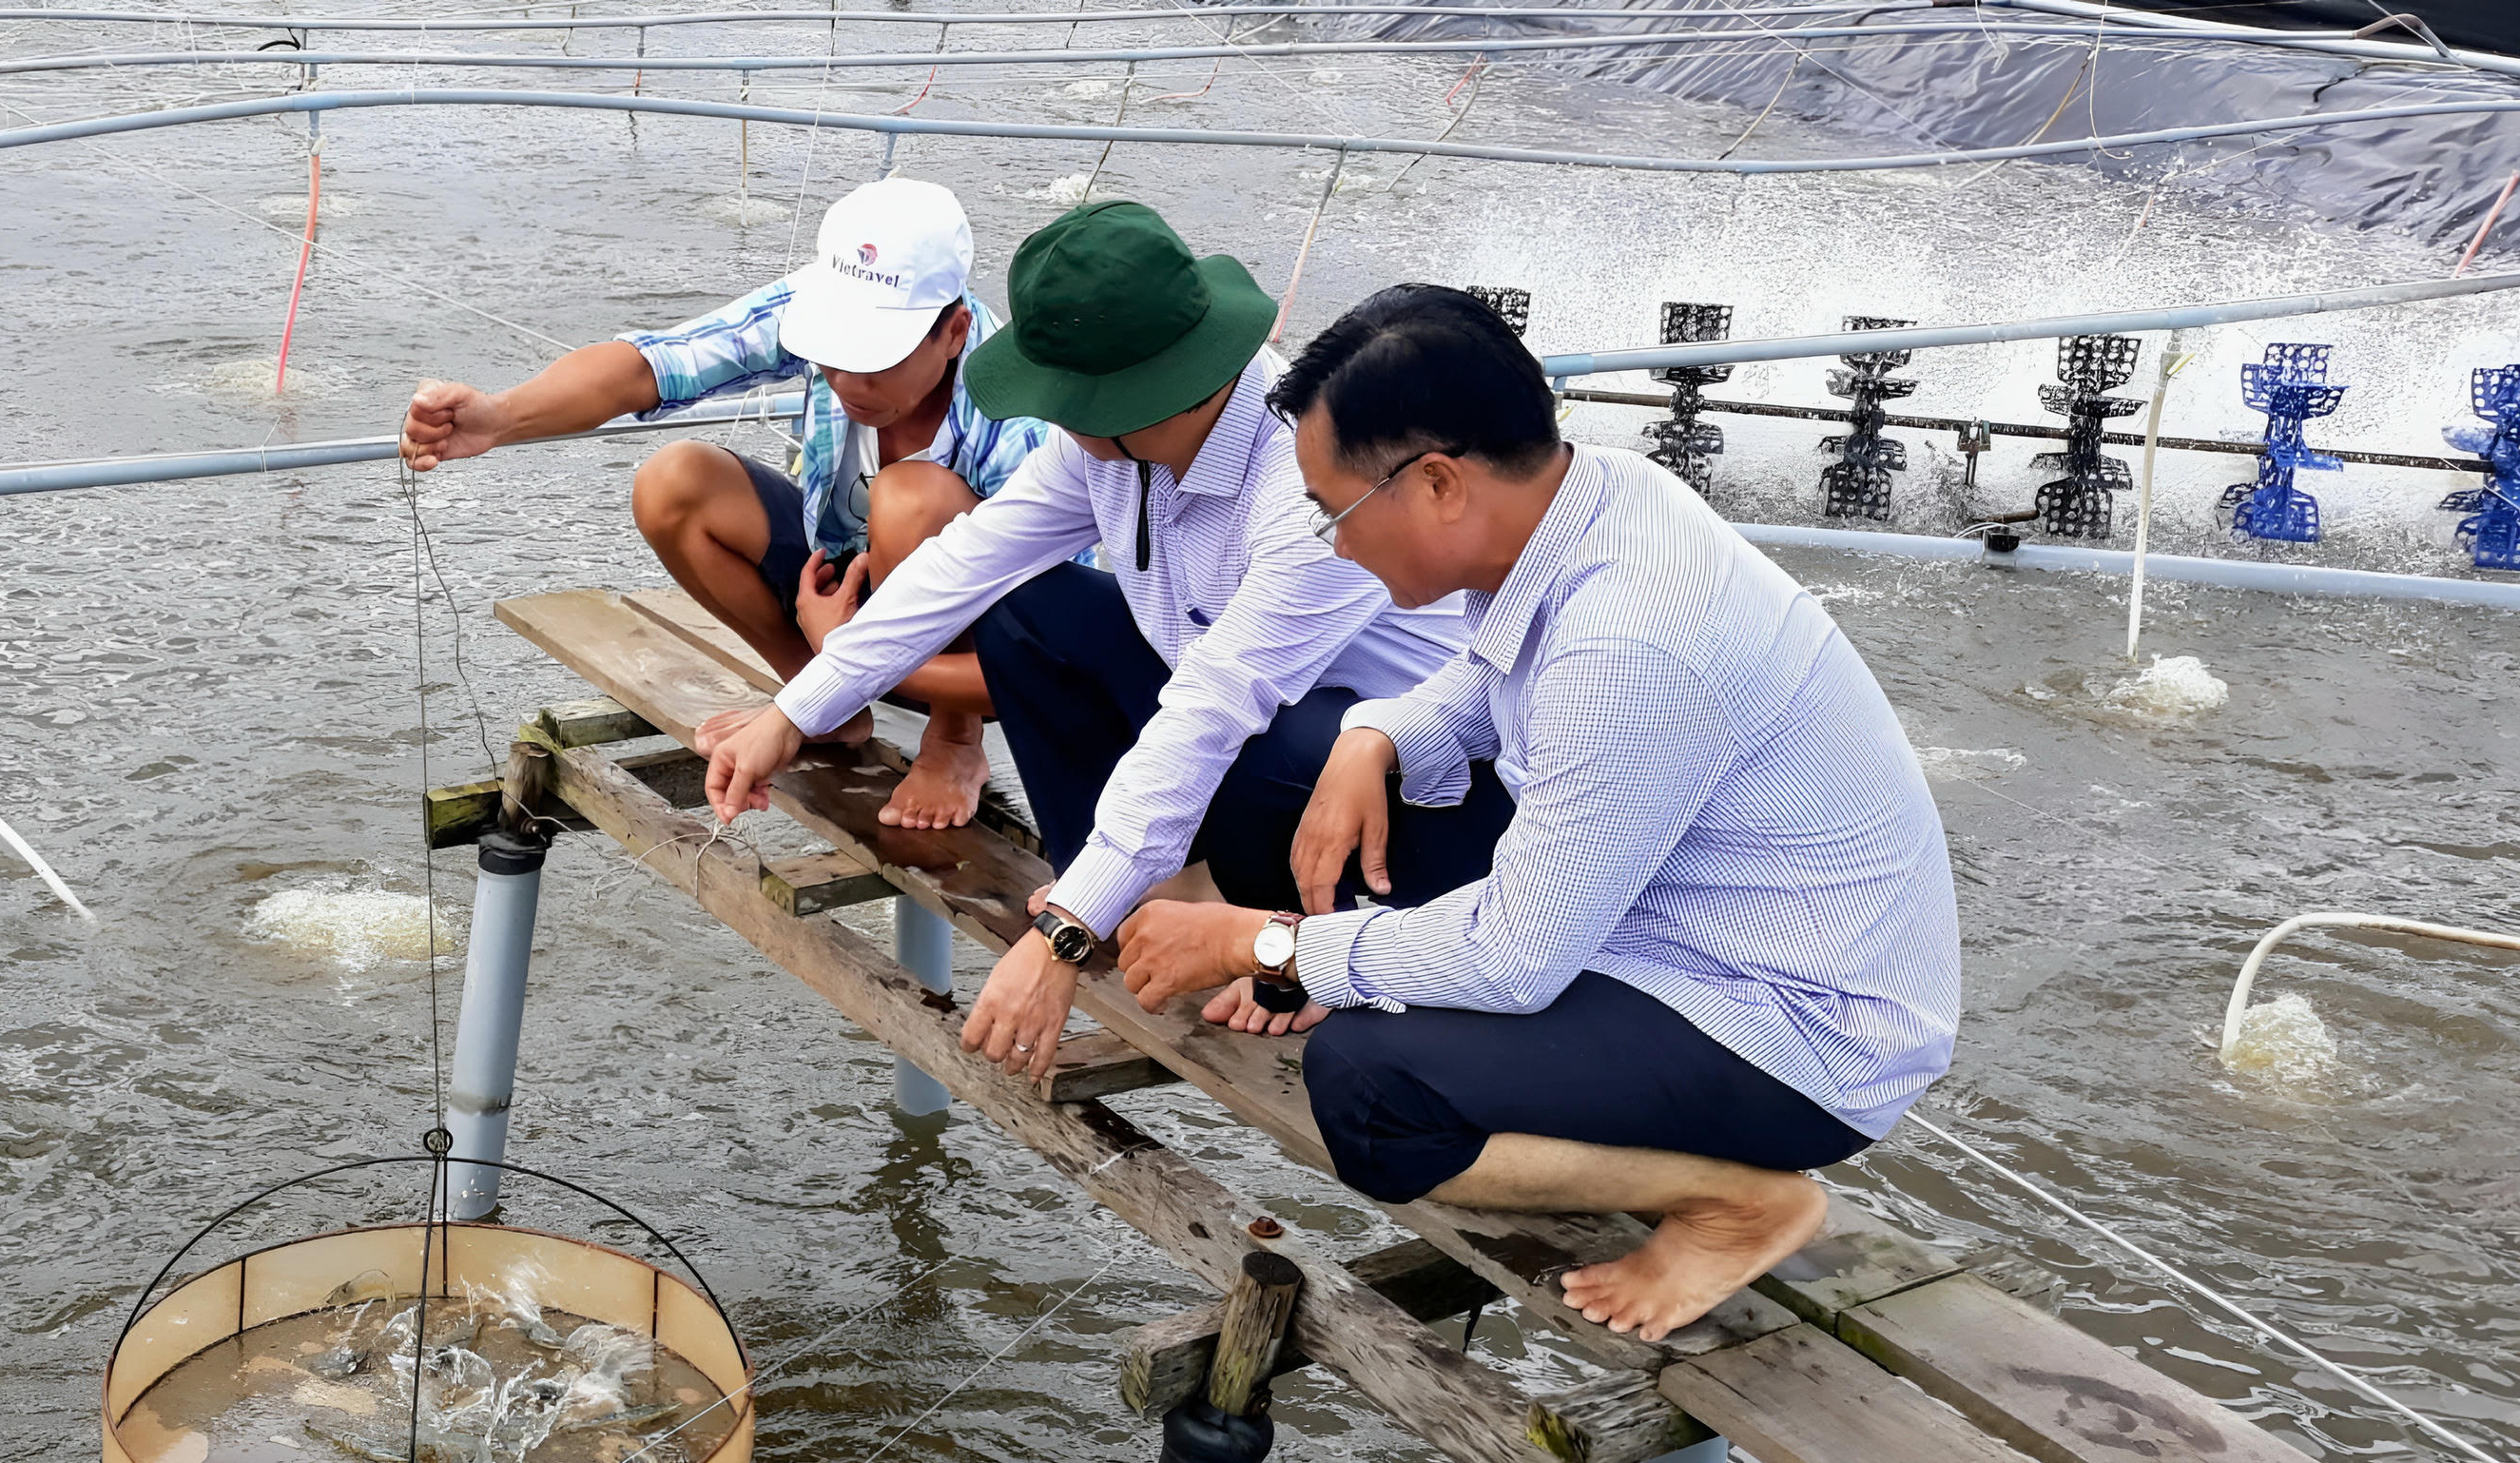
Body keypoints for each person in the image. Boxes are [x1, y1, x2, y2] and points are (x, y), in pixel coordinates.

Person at [1113, 284, 1962, 1343]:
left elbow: (1515, 959)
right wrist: (1375, 736)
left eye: (1333, 514)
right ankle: (1350, 958)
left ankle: (1735, 1202)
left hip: (1793, 1026)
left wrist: (1264, 942)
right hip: (1656, 924)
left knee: (1371, 1091)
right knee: (1292, 769)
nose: (1332, 547)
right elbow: (1485, 678)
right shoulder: (1594, 495)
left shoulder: (1630, 645)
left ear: (1437, 483)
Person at [705, 203, 1477, 1079]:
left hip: (1399, 786)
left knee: (1297, 737)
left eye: (1061, 400)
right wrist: (792, 713)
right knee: (1030, 607)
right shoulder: (1112, 447)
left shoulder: (1308, 485)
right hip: (1225, 717)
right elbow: (965, 563)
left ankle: (1300, 934)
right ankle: (1139, 885)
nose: (1049, 418)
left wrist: (1061, 935)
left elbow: (1217, 704)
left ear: (1129, 399)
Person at [398, 177, 1051, 827]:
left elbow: (1047, 651)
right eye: (833, 351)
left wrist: (846, 648)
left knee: (911, 498)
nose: (848, 381)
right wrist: (500, 417)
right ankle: (826, 704)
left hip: (967, 649)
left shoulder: (1020, 422)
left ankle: (954, 742)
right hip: (838, 586)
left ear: (955, 332)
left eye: (875, 359)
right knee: (674, 482)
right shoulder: (822, 301)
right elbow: (655, 364)